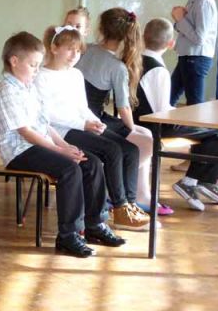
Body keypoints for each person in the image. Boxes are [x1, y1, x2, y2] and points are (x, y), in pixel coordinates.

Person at [0, 31, 125, 257]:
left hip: (39, 145)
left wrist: (65, 146)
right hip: (20, 151)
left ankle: (94, 224)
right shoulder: (7, 91)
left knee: (91, 162)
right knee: (69, 169)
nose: (36, 70)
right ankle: (68, 236)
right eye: (33, 65)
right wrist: (60, 151)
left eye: (37, 65)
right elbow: (26, 132)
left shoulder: (28, 88)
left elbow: (44, 124)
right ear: (14, 61)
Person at [36, 25, 149, 231]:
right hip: (60, 132)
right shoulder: (41, 76)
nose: (74, 55)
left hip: (80, 126)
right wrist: (83, 124)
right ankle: (119, 207)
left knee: (130, 150)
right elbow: (48, 114)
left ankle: (129, 203)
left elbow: (82, 107)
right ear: (54, 48)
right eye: (69, 49)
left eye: (78, 50)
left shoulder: (76, 75)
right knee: (112, 150)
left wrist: (95, 121)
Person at [76, 8, 169, 215]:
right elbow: (123, 107)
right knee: (146, 141)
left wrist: (133, 129)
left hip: (86, 114)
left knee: (146, 136)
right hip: (92, 118)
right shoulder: (116, 66)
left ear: (101, 29)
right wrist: (131, 128)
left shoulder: (85, 49)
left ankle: (139, 193)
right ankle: (120, 191)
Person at [135, 18, 218, 211]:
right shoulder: (158, 70)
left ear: (143, 38)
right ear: (171, 44)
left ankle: (200, 181)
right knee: (215, 133)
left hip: (139, 121)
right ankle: (191, 182)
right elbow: (162, 111)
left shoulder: (134, 60)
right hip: (156, 126)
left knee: (211, 136)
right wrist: (188, 115)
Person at [170, 0, 218, 105]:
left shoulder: (203, 1)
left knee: (195, 105)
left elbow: (199, 38)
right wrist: (179, 20)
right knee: (169, 98)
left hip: (196, 57)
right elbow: (186, 27)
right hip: (188, 56)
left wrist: (180, 19)